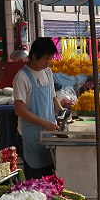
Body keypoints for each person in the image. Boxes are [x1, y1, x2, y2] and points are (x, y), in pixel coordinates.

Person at [13, 37, 64, 179]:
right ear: (34, 56)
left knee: (51, 178)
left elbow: (53, 98)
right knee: (36, 181)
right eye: (45, 58)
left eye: (50, 58)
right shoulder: (22, 77)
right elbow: (20, 110)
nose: (48, 62)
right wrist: (44, 123)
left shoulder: (47, 72)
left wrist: (61, 114)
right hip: (30, 136)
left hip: (49, 135)